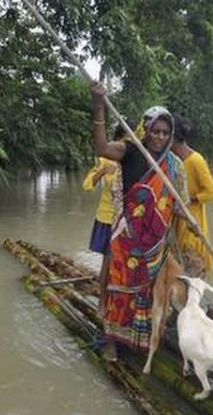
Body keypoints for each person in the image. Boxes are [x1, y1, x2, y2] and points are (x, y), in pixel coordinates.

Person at [89, 81, 189, 362]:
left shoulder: (175, 166)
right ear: (145, 130)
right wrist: (97, 104)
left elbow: (180, 205)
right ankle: (110, 340)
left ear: (171, 136)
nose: (159, 137)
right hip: (126, 238)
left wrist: (190, 221)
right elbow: (100, 146)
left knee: (145, 292)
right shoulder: (130, 151)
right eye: (155, 131)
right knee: (119, 290)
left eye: (165, 133)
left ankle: (135, 339)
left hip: (155, 243)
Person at [171, 115, 213, 277]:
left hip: (191, 223)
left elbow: (212, 192)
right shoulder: (173, 161)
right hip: (176, 221)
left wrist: (189, 200)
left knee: (191, 267)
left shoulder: (195, 161)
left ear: (173, 138)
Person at [82, 123, 125, 304]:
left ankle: (118, 301)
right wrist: (101, 172)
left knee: (123, 264)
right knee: (108, 262)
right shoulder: (106, 159)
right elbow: (87, 185)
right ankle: (102, 302)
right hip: (108, 218)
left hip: (127, 220)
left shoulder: (136, 161)